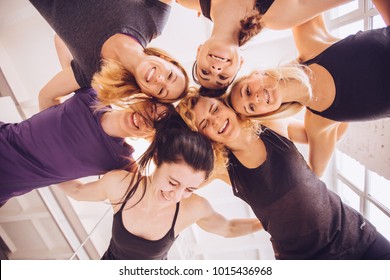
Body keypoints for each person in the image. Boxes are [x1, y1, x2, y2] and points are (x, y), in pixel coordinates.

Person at [177, 93, 390, 260]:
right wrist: (262, 223)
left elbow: (326, 131)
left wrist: (314, 172)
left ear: (225, 104)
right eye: (204, 124)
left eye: (214, 109)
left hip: (353, 234)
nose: (215, 121)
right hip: (304, 260)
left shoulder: (270, 123)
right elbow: (175, 183)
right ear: (203, 138)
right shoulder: (221, 167)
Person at [58, 115, 262, 260]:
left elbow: (228, 228)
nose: (177, 195)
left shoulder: (193, 208)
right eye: (173, 182)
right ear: (157, 159)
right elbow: (77, 192)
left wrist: (267, 223)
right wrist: (42, 166)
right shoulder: (120, 185)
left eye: (190, 189)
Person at [227, 13, 390, 177]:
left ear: (256, 74)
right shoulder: (318, 124)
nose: (254, 98)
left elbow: (290, 6)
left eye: (247, 91)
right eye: (252, 107)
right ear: (264, 113)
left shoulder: (310, 42)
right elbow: (313, 177)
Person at [0, 85, 174, 205]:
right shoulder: (93, 94)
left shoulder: (121, 162)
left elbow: (78, 191)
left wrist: (52, 171)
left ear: (150, 137)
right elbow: (61, 40)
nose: (145, 118)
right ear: (143, 99)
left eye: (154, 124)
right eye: (151, 109)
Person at [29, 0, 189, 110]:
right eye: (170, 76)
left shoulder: (94, 73)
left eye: (161, 91)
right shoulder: (152, 21)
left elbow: (46, 96)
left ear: (147, 94)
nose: (160, 80)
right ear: (167, 60)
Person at [177, 0, 359, 92]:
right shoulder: (280, 16)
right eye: (223, 76)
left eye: (205, 72)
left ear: (199, 50)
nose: (216, 68)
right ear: (240, 63)